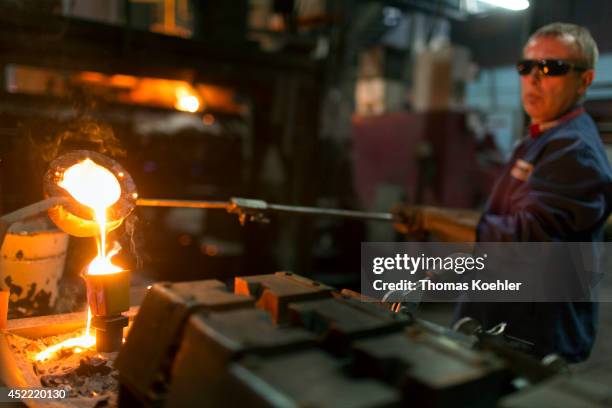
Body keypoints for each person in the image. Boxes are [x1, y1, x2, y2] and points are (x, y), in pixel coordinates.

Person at [394, 22, 612, 362]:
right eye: (526, 67)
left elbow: (524, 242)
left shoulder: (575, 152)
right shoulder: (538, 139)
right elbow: (501, 223)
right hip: (499, 321)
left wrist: (436, 220)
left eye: (551, 68)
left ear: (585, 80)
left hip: (533, 336)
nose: (533, 79)